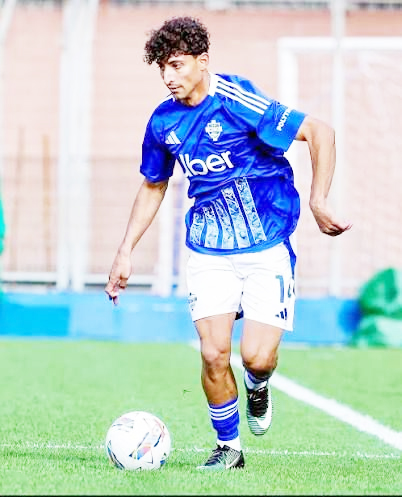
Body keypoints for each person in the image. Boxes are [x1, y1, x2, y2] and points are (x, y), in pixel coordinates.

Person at [105, 16, 352, 471]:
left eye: (177, 65)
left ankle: (258, 384)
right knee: (213, 353)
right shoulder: (163, 122)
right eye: (162, 68)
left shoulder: (237, 100)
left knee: (256, 357)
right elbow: (154, 184)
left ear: (202, 61)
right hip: (208, 248)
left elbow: (321, 132)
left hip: (266, 243)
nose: (168, 77)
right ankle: (229, 448)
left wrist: (318, 200)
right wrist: (125, 250)